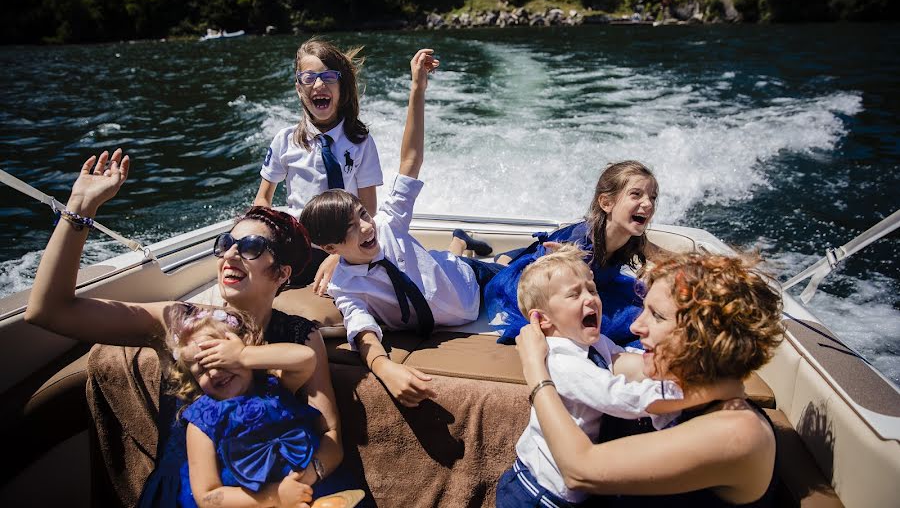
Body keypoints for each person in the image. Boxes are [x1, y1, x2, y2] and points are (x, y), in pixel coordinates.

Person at [25, 149, 352, 507]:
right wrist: (80, 209)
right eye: (225, 245)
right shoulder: (179, 320)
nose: (230, 255)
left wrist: (297, 484)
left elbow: (330, 432)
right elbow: (49, 311)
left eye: (251, 247)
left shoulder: (300, 336)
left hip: (286, 482)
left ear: (282, 273)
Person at [300, 49, 503, 408]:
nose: (366, 227)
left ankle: (462, 248)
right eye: (351, 228)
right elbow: (362, 330)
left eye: (363, 214)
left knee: (529, 265)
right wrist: (384, 368)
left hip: (475, 281)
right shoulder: (346, 286)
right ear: (331, 249)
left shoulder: (387, 222)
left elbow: (410, 159)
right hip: (447, 301)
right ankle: (459, 240)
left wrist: (417, 88)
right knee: (436, 261)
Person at [516, 252, 784, 507]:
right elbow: (598, 365)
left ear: (703, 334)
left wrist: (535, 371)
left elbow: (580, 470)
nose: (635, 327)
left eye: (656, 315)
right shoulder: (671, 376)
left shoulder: (740, 431)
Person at [487, 160, 665, 348]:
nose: (648, 203)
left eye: (652, 197)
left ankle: (508, 256)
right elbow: (548, 288)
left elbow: (666, 257)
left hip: (597, 288)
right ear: (606, 203)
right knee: (627, 321)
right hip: (545, 285)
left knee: (653, 307)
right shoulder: (580, 242)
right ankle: (471, 246)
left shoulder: (633, 238)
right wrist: (559, 257)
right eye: (636, 195)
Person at [255, 38, 383, 294]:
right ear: (298, 88)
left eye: (329, 76)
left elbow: (369, 207)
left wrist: (340, 254)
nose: (319, 84)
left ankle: (458, 241)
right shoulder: (285, 140)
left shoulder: (361, 142)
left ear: (342, 86)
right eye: (309, 77)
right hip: (299, 247)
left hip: (347, 246)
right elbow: (262, 200)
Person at [168, 303, 321, 507]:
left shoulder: (274, 388)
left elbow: (307, 358)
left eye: (220, 360)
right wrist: (274, 496)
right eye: (201, 371)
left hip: (306, 492)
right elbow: (206, 497)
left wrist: (243, 356)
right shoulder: (202, 421)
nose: (213, 373)